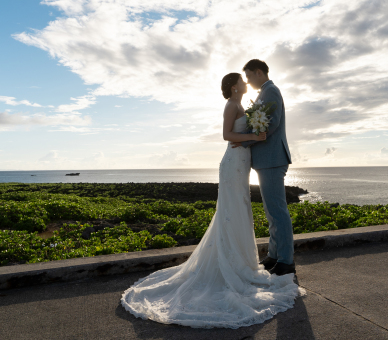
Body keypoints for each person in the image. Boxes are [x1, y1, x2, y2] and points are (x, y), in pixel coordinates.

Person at [120, 72, 302, 329]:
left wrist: (254, 136)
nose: (245, 82)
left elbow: (247, 130)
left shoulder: (242, 103)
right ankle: (234, 262)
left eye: (246, 78)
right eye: (241, 80)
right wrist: (254, 137)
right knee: (232, 209)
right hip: (233, 162)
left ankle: (243, 260)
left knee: (240, 208)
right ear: (233, 87)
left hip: (243, 161)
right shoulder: (231, 105)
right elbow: (227, 135)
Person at [235, 59, 295, 275]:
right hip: (267, 159)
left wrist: (245, 140)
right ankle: (274, 254)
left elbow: (271, 124)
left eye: (249, 76)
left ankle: (286, 260)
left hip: (272, 159)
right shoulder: (264, 92)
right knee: (271, 211)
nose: (247, 81)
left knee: (277, 210)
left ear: (259, 72)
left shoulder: (271, 91)